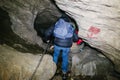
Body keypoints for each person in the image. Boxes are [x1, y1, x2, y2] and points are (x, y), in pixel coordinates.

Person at [44, 14, 81, 80]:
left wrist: (47, 39)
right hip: (67, 46)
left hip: (57, 44)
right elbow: (76, 38)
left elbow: (47, 32)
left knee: (55, 55)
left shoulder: (57, 24)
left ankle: (53, 69)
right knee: (65, 57)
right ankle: (64, 73)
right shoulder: (71, 25)